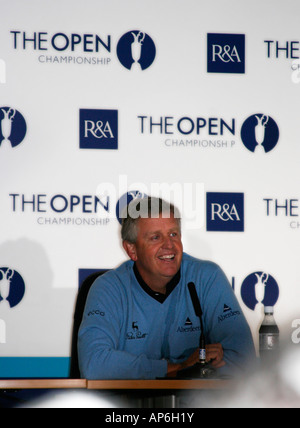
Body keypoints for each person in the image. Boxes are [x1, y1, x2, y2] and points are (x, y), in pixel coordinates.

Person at [78, 196, 256, 380]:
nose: (169, 245)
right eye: (155, 237)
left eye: (173, 234)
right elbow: (94, 364)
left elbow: (244, 359)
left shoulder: (206, 277)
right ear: (132, 249)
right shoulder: (109, 288)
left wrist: (204, 366)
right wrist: (177, 368)